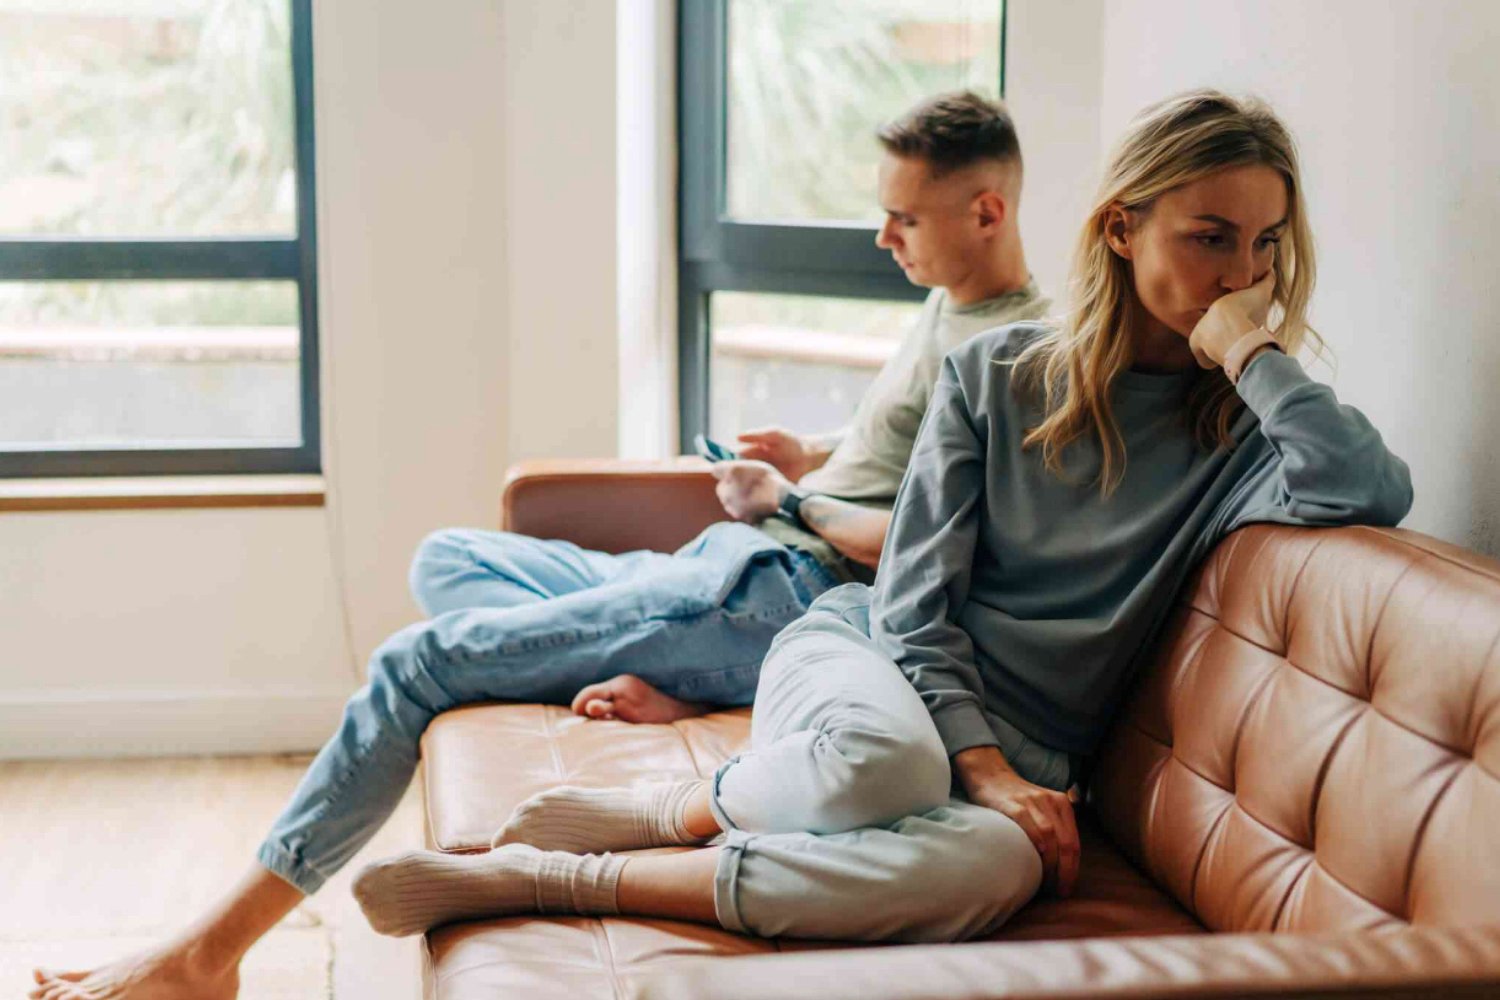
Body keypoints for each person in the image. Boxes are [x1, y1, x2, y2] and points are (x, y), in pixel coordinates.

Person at [27, 91, 1048, 1000]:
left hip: (779, 584)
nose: (882, 236)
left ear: (987, 211)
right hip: (725, 562)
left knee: (414, 661)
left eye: (904, 216)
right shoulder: (948, 303)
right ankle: (657, 660)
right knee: (447, 558)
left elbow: (922, 554)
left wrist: (791, 497)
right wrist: (816, 452)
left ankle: (207, 956)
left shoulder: (1011, 354)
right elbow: (898, 454)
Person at [344, 89, 1413, 945]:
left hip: (1025, 751)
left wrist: (1255, 355)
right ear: (1122, 231)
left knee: (1000, 868)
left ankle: (565, 878)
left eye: (1267, 245)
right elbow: (908, 606)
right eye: (1213, 238)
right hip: (874, 666)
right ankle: (690, 805)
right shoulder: (996, 374)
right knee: (890, 765)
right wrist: (984, 769)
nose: (1245, 276)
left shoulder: (1239, 430)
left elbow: (1365, 487)